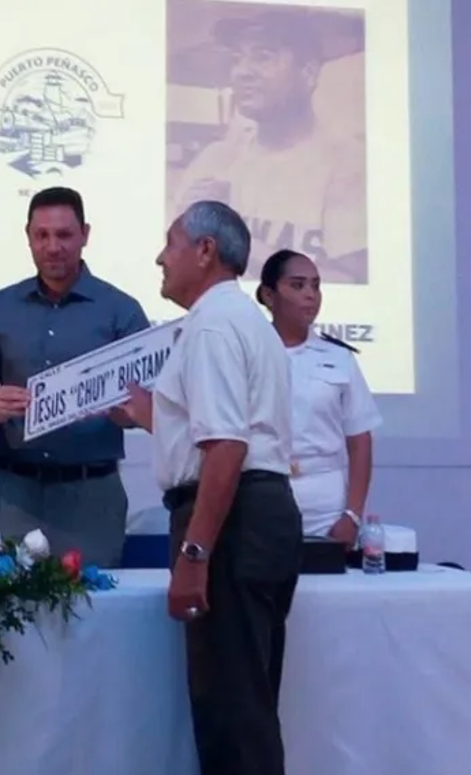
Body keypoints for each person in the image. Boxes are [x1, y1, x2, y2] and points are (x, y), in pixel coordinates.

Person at [117, 201, 302, 775]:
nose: (160, 258)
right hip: (259, 511)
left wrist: (194, 556)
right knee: (245, 702)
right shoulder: (246, 322)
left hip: (230, 519)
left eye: (170, 243)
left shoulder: (212, 325)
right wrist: (151, 415)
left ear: (205, 251)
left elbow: (226, 447)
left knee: (231, 714)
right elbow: (224, 432)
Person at [0, 186, 150, 567]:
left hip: (91, 498)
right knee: (3, 601)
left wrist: (123, 413)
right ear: (28, 236)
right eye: (41, 235)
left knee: (94, 602)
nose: (52, 246)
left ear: (85, 235)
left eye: (64, 234)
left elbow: (150, 406)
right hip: (11, 493)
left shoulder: (121, 310)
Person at [171, 8, 367, 284]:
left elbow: (349, 283)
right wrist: (183, 229)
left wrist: (232, 239)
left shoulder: (348, 163)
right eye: (237, 59)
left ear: (308, 73)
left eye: (262, 56)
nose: (241, 72)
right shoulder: (214, 159)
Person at [257, 249, 381, 545]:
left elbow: (360, 440)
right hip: (261, 496)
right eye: (297, 285)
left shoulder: (339, 357)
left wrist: (352, 515)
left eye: (316, 285)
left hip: (326, 505)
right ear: (269, 295)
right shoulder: (249, 353)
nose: (311, 295)